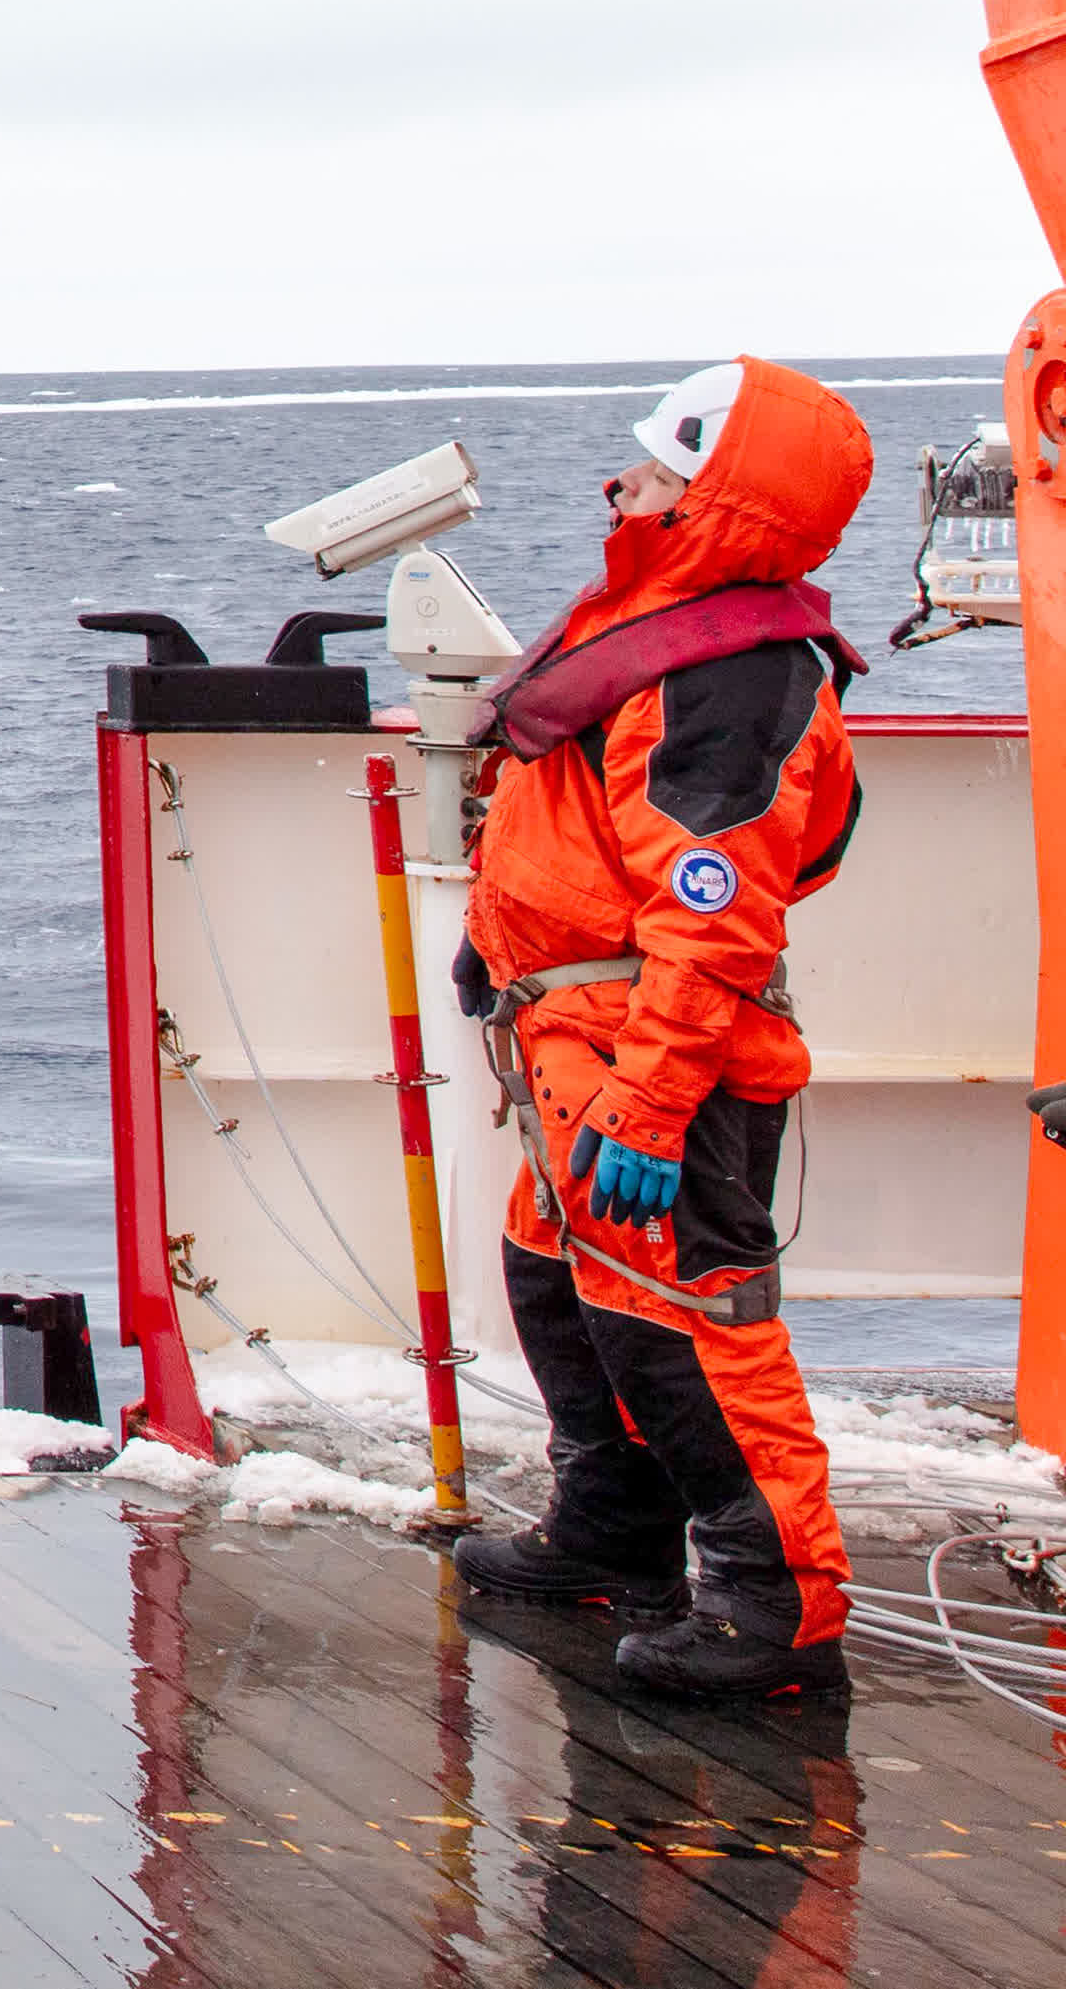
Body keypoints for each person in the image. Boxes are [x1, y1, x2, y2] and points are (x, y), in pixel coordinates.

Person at [447, 356, 873, 1700]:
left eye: (654, 464)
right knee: (553, 1280)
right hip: (578, 1039)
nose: (620, 481)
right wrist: (496, 943)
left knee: (692, 1323)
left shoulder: (728, 679)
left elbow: (713, 913)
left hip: (655, 1054)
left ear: (712, 499)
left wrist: (650, 1099)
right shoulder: (667, 628)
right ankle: (614, 1528)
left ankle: (775, 1602)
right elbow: (579, 822)